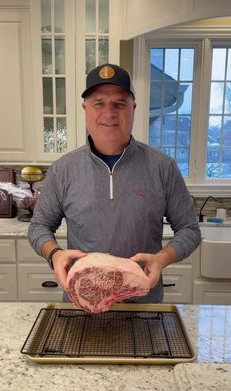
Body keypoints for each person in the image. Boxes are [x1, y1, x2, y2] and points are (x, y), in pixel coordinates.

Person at [28, 63, 201, 304]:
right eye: (99, 103)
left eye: (119, 103)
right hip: (83, 304)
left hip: (143, 306)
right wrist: (55, 255)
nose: (109, 112)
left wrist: (161, 259)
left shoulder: (163, 167)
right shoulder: (63, 169)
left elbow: (190, 230)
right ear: (85, 108)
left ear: (134, 108)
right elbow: (38, 226)